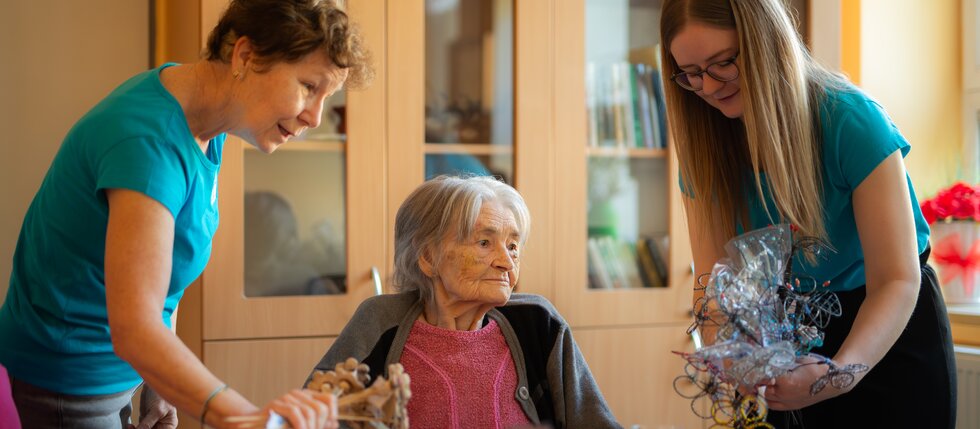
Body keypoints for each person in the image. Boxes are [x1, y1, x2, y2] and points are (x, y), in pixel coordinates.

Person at [0, 0, 372, 427]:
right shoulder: (149, 142)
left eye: (327, 97)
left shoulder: (208, 119)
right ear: (246, 56)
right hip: (66, 384)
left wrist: (159, 386)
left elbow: (163, 272)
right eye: (309, 86)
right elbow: (136, 329)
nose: (315, 116)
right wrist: (247, 418)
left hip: (111, 374)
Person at [659, 0, 956, 427]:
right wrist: (736, 361)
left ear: (765, 43)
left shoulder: (850, 120)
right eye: (690, 73)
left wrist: (838, 375)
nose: (707, 87)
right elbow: (714, 291)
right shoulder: (706, 152)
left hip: (887, 327)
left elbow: (896, 279)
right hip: (781, 335)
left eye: (722, 63)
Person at [307, 175, 621, 429]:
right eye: (484, 243)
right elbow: (309, 416)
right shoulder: (379, 322)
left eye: (513, 246)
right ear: (428, 257)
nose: (506, 263)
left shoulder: (538, 323)